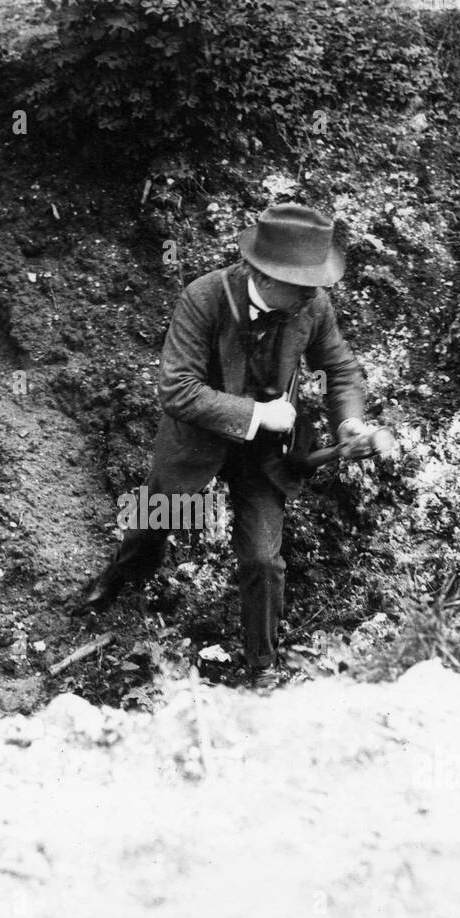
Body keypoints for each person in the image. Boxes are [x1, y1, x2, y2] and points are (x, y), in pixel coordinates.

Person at [73, 204, 394, 689]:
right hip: (196, 439)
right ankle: (117, 582)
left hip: (267, 452)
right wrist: (257, 414)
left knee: (263, 558)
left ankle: (262, 666)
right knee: (159, 517)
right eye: (303, 282)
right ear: (265, 275)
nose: (313, 292)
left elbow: (341, 370)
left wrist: (349, 422)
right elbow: (176, 389)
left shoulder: (311, 305)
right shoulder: (203, 298)